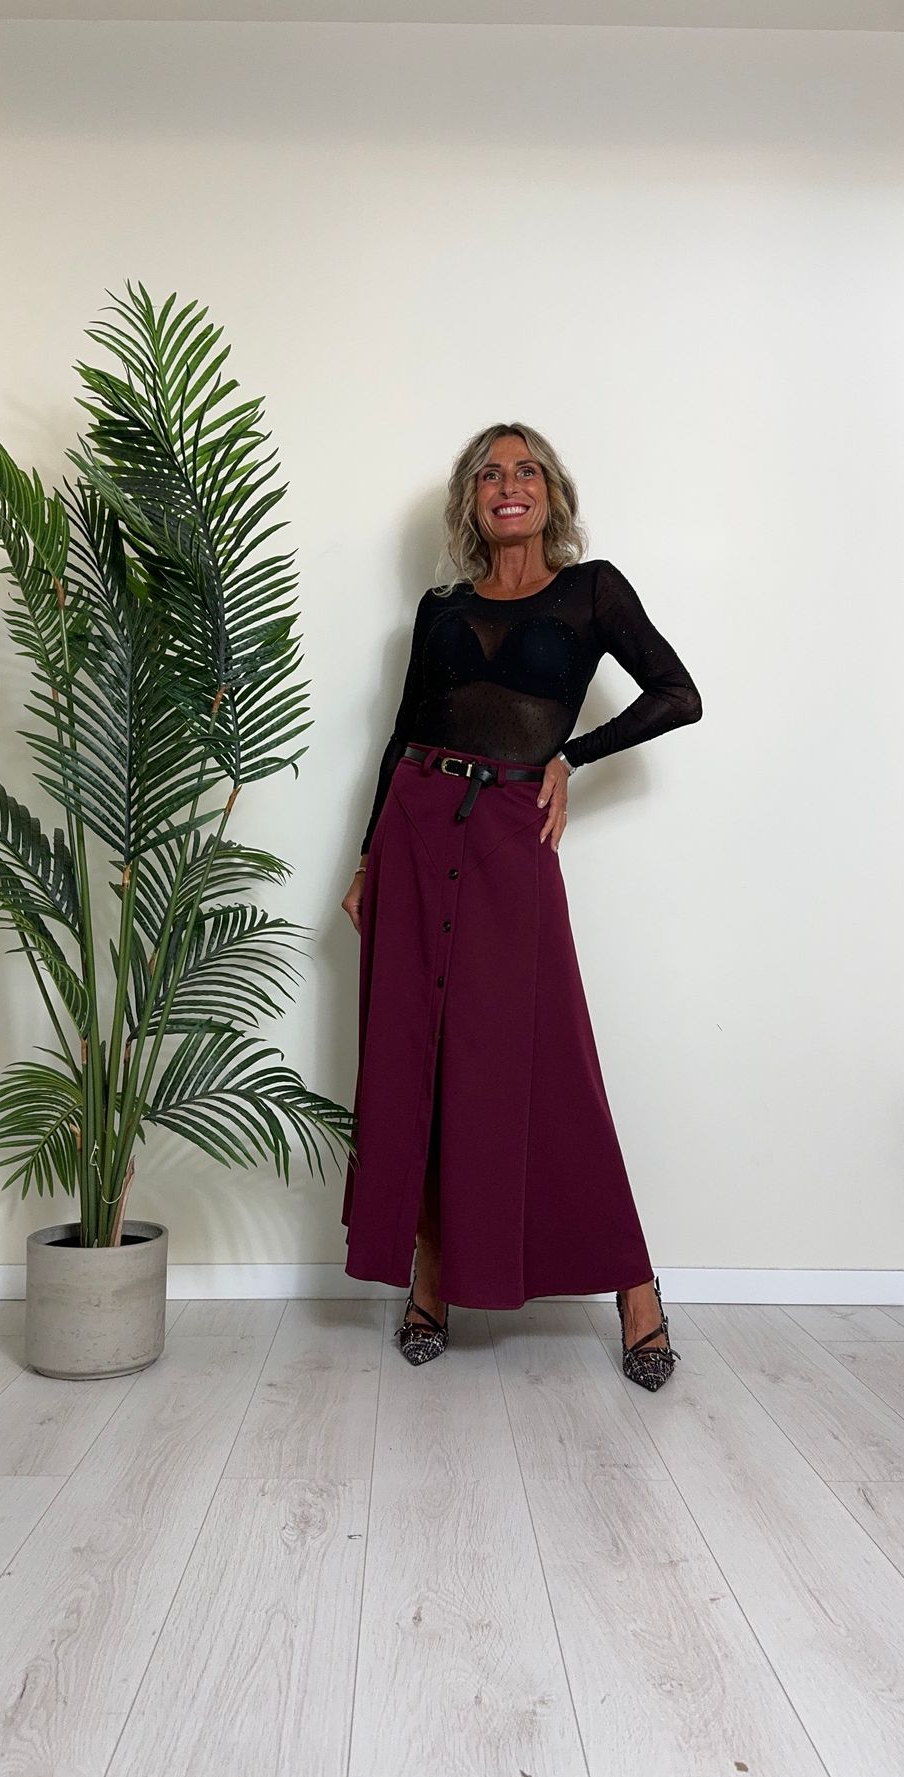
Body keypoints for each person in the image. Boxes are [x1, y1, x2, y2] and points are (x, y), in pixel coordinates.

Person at [340, 422, 702, 1389]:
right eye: (491, 474)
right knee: (416, 1056)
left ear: (550, 493)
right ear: (471, 498)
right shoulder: (440, 607)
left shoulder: (592, 591)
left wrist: (569, 757)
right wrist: (368, 857)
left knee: (547, 1058)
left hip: (508, 832)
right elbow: (403, 733)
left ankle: (634, 1288)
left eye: (526, 470)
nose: (510, 485)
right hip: (416, 828)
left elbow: (678, 695)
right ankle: (429, 1279)